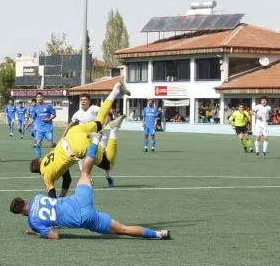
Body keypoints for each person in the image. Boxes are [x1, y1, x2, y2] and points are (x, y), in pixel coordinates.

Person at [11, 132, 171, 240]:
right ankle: (95, 140)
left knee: (122, 230)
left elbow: (54, 235)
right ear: (25, 200)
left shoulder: (33, 221)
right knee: (85, 172)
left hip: (84, 218)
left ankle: (159, 234)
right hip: (79, 199)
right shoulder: (37, 197)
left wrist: (38, 232)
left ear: (21, 214)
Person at [31, 82, 129, 196]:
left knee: (109, 164)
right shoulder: (48, 157)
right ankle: (115, 91)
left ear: (39, 171)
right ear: (40, 160)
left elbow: (55, 192)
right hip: (75, 133)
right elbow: (66, 178)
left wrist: (60, 200)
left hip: (77, 147)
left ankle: (114, 129)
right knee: (100, 121)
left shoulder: (45, 174)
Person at [64, 93, 112, 187]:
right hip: (84, 140)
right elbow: (70, 125)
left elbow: (108, 116)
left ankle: (108, 176)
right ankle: (88, 180)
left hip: (99, 137)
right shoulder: (77, 114)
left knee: (105, 158)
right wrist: (64, 136)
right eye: (81, 100)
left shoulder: (94, 109)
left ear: (89, 101)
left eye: (85, 100)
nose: (83, 102)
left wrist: (102, 127)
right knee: (81, 160)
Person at [27, 92, 56, 159]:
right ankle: (39, 159)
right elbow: (33, 119)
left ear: (43, 98)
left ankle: (56, 147)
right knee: (38, 143)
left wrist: (49, 119)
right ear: (36, 99)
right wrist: (28, 124)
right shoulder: (35, 108)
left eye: (40, 97)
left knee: (50, 145)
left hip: (48, 128)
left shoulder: (48, 106)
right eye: (38, 97)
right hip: (39, 129)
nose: (39, 98)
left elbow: (54, 114)